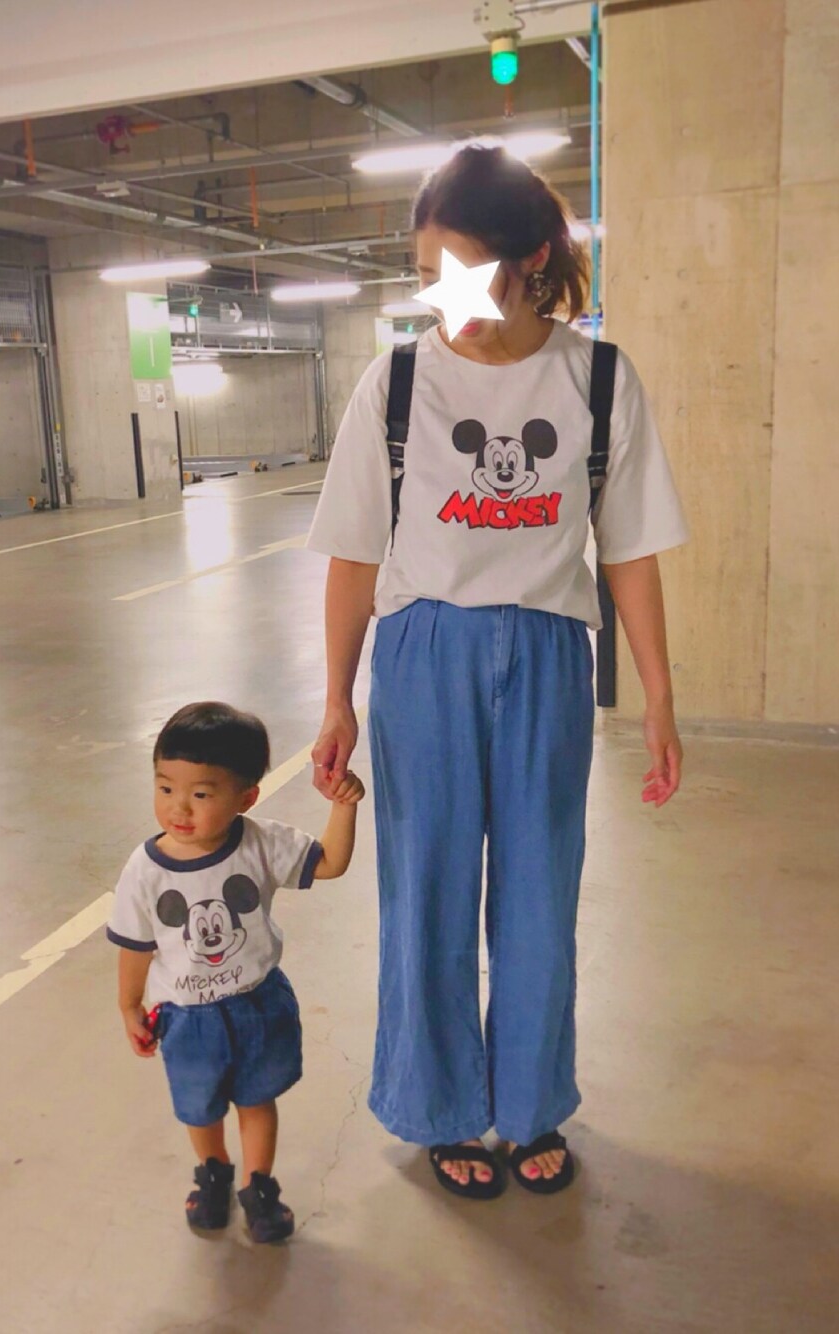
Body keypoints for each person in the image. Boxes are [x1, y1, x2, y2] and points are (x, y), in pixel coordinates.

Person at [308, 145, 688, 1200]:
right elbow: (352, 553)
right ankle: (439, 1107)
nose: (448, 300)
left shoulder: (597, 378)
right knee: (426, 892)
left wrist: (658, 696)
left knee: (539, 893)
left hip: (550, 654)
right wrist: (336, 697)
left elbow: (628, 549)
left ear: (531, 262)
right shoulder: (396, 384)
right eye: (428, 275)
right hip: (423, 653)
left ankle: (529, 1102)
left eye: (467, 273)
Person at [108, 701, 364, 1240]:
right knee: (199, 1109)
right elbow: (135, 945)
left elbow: (330, 863)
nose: (179, 807)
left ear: (246, 797)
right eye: (165, 788)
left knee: (257, 1099)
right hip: (186, 1018)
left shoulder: (261, 844)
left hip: (258, 1005)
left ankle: (257, 1186)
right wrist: (129, 1005)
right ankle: (214, 1173)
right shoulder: (144, 871)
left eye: (201, 794)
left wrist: (344, 807)